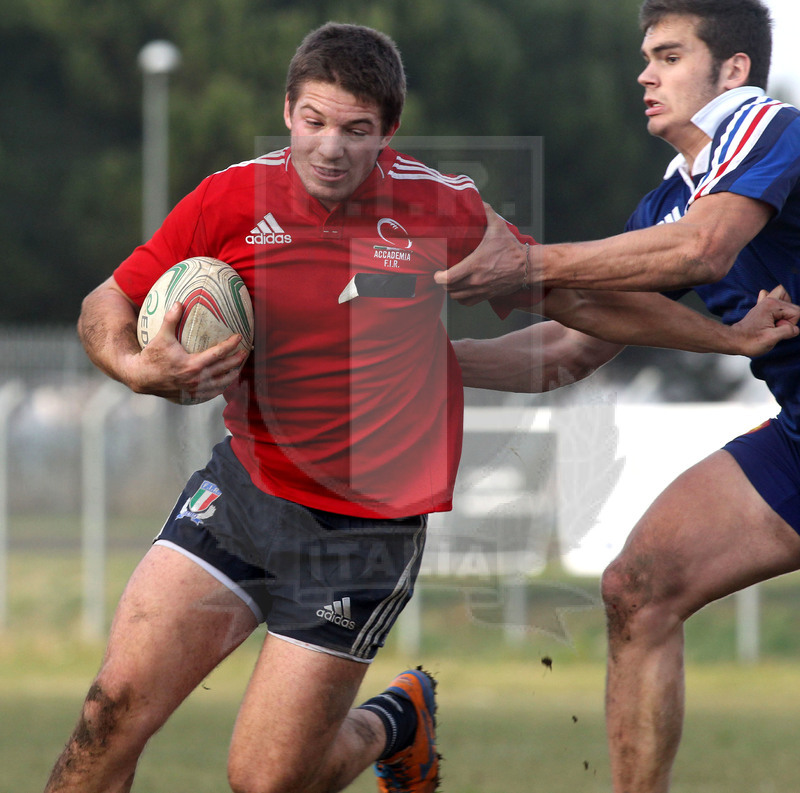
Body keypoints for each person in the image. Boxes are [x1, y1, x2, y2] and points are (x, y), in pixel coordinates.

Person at [48, 17, 798, 793]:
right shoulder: (229, 197)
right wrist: (138, 367)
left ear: (389, 133)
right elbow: (107, 301)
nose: (330, 147)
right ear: (286, 113)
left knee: (266, 780)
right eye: (313, 122)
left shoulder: (443, 209)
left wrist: (724, 339)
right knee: (109, 712)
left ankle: (393, 719)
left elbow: (584, 302)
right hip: (241, 490)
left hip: (363, 526)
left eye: (355, 129)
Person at [439, 1, 800, 790]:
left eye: (669, 56)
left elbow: (705, 249)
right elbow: (572, 349)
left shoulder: (769, 128)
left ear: (733, 72)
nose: (645, 73)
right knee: (637, 587)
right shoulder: (670, 201)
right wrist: (436, 360)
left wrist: (531, 265)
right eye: (646, 56)